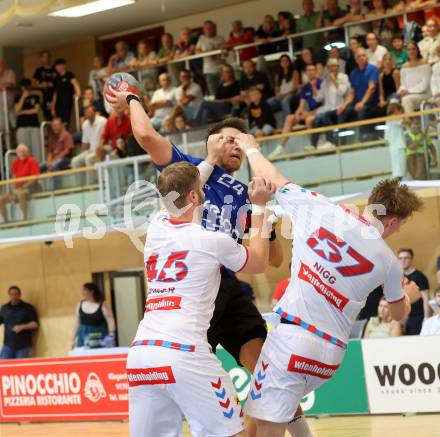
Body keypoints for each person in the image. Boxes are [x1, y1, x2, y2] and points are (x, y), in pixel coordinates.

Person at [105, 85, 311, 437]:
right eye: (229, 139)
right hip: (188, 293)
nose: (236, 146)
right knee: (193, 376)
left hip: (224, 284)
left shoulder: (245, 192)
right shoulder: (183, 170)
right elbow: (143, 133)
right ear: (210, 142)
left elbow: (270, 260)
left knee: (268, 372)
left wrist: (270, 224)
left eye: (241, 143)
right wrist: (132, 98)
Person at [240, 137, 422, 436]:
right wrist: (410, 297)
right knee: (281, 411)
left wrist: (251, 148)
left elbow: (270, 176)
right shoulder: (388, 261)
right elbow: (400, 313)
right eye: (400, 225)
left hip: (293, 339)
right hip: (330, 356)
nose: (397, 231)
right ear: (391, 221)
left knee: (262, 427)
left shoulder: (320, 208)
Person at [127, 159, 273, 437]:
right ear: (194, 196)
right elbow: (257, 263)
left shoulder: (155, 228)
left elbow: (175, 196)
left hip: (142, 355)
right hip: (184, 352)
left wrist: (209, 160)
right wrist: (260, 207)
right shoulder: (211, 240)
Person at [271, 64, 322, 156]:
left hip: (319, 112)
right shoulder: (305, 87)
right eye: (308, 70)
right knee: (290, 118)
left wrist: (309, 113)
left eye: (312, 70)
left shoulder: (321, 83)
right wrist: (297, 114)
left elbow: (325, 105)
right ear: (306, 73)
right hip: (309, 113)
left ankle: (313, 145)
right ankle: (280, 147)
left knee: (308, 119)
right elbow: (301, 105)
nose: (310, 72)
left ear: (316, 72)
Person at [310, 58, 350, 150]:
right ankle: (313, 145)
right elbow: (318, 98)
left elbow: (342, 92)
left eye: (334, 66)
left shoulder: (343, 77)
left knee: (324, 116)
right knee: (316, 119)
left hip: (340, 108)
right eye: (330, 67)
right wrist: (313, 86)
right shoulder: (325, 82)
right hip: (328, 109)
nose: (332, 69)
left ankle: (331, 142)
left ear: (338, 67)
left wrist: (334, 80)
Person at [338, 48, 380, 132]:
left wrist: (362, 102)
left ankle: (362, 139)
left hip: (371, 102)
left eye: (363, 55)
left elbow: (371, 88)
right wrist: (344, 105)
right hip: (358, 102)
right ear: (356, 59)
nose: (361, 58)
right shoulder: (354, 73)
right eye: (359, 56)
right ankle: (340, 142)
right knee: (343, 112)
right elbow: (352, 93)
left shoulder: (373, 69)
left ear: (367, 57)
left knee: (362, 110)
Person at [0, 144, 40, 223]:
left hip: (31, 187)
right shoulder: (15, 163)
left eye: (24, 151)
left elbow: (34, 179)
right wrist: (14, 190)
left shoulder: (32, 161)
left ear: (27, 152)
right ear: (17, 153)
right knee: (1, 198)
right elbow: (13, 179)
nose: (22, 153)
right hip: (18, 189)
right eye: (20, 151)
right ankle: (6, 221)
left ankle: (25, 219)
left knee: (21, 194)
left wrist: (21, 188)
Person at [72, 283, 116, 348]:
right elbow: (77, 323)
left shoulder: (103, 304)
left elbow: (110, 320)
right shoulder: (80, 305)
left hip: (99, 335)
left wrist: (111, 334)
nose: (83, 292)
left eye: (85, 290)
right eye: (83, 290)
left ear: (92, 291)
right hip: (83, 335)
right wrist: (73, 339)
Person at [0, 286, 38, 359]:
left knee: (21, 368)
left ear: (20, 295)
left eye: (15, 294)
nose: (13, 296)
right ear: (9, 295)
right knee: (4, 367)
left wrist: (22, 326)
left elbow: (35, 324)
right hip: (8, 345)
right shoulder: (4, 308)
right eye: (11, 294)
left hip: (23, 346)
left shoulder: (28, 308)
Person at [398, 248, 430, 334]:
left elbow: (426, 299)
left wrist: (426, 319)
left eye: (406, 258)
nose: (403, 261)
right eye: (400, 258)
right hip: (403, 317)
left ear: (411, 259)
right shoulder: (398, 277)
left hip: (417, 317)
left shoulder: (420, 277)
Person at [398, 41, 432, 113]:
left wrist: (408, 91)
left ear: (417, 50)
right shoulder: (404, 67)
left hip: (425, 94)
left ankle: (410, 121)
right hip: (409, 94)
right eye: (409, 49)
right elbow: (403, 84)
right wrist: (402, 90)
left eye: (413, 49)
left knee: (406, 100)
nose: (411, 51)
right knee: (394, 101)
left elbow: (424, 84)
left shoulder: (424, 64)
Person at [15, 78, 42, 163]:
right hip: (22, 126)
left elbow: (36, 110)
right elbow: (17, 111)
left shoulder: (36, 97)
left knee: (36, 148)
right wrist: (23, 97)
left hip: (34, 125)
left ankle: (38, 167)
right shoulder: (18, 97)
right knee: (23, 149)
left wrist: (22, 112)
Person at [266, 55, 299, 122]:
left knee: (285, 101)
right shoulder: (278, 75)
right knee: (267, 102)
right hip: (281, 96)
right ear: (280, 63)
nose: (284, 62)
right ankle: (270, 123)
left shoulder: (294, 72)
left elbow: (295, 88)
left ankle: (288, 121)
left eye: (286, 61)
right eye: (282, 61)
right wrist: (277, 95)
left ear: (289, 62)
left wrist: (283, 95)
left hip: (292, 95)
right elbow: (277, 89)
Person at [196, 20, 225, 95]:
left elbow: (225, 52)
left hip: (221, 69)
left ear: (214, 28)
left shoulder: (220, 38)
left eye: (211, 28)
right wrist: (208, 52)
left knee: (223, 91)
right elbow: (197, 51)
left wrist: (215, 50)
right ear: (204, 29)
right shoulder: (201, 39)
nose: (209, 30)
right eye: (207, 28)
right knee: (213, 93)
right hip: (209, 71)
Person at [51, 58, 81, 126]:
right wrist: (52, 107)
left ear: (63, 66)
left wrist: (78, 93)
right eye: (56, 66)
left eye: (58, 66)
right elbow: (55, 93)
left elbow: (75, 83)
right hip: (58, 104)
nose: (57, 68)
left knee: (65, 121)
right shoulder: (56, 78)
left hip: (67, 103)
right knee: (57, 122)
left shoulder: (69, 75)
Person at [32, 50, 57, 120]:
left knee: (57, 116)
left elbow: (59, 82)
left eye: (47, 57)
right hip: (45, 97)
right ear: (41, 58)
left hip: (56, 96)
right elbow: (33, 82)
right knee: (47, 117)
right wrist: (40, 85)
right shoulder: (39, 70)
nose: (46, 59)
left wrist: (52, 84)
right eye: (44, 57)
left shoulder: (55, 69)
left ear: (50, 58)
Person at [385, 102, 407, 178]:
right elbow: (406, 122)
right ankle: (395, 188)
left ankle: (395, 187)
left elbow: (386, 138)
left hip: (394, 147)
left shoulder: (388, 121)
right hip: (398, 147)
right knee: (399, 171)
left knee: (397, 170)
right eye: (401, 111)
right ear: (396, 110)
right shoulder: (394, 118)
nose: (402, 114)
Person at [0, 59, 16, 133]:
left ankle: (17, 143)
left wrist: (4, 85)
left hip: (10, 107)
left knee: (14, 126)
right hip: (0, 108)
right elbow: (3, 86)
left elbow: (9, 85)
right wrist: (3, 85)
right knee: (2, 128)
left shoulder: (10, 72)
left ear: (3, 65)